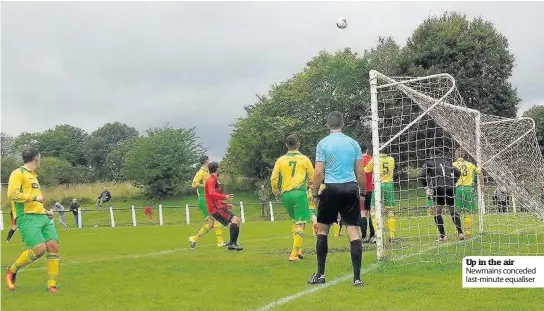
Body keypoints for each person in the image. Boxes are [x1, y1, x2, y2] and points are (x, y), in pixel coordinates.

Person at [308, 111, 366, 287]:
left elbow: (318, 172)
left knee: (323, 231)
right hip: (350, 188)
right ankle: (357, 278)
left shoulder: (323, 144)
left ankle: (321, 274)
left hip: (331, 188)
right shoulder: (353, 143)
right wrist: (362, 191)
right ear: (343, 124)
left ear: (327, 125)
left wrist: (315, 191)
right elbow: (360, 172)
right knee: (353, 232)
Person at [5, 147, 60, 293]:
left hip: (41, 216)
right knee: (39, 249)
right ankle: (12, 270)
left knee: (53, 246)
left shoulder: (34, 176)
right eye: (40, 157)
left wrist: (45, 211)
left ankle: (52, 285)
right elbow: (12, 194)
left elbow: (37, 202)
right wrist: (34, 197)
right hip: (26, 217)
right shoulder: (18, 173)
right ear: (37, 158)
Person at [270, 133, 314, 262]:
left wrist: (275, 190)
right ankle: (293, 254)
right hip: (299, 193)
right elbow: (312, 177)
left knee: (295, 221)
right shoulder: (304, 159)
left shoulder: (281, 160)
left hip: (286, 194)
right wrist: (309, 186)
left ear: (286, 145)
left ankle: (299, 249)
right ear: (298, 144)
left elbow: (274, 178)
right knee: (301, 223)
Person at [419, 149, 463, 242]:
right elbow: (458, 172)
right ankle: (460, 233)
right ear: (440, 154)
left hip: (439, 189)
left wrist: (427, 188)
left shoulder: (429, 163)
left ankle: (443, 236)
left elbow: (422, 176)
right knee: (452, 209)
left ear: (431, 155)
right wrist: (453, 182)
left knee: (437, 211)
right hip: (450, 188)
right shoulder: (447, 162)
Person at [188, 156, 226, 248]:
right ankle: (220, 242)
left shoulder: (208, 172)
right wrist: (205, 185)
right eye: (209, 160)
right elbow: (194, 184)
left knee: (211, 224)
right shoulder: (200, 172)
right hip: (204, 199)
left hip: (208, 198)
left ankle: (193, 238)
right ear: (206, 161)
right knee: (217, 218)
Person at [205, 162, 243, 251]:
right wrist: (225, 197)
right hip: (215, 209)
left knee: (237, 221)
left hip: (217, 207)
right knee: (235, 220)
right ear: (217, 169)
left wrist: (225, 205)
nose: (220, 170)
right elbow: (211, 193)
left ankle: (232, 243)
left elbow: (215, 198)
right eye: (219, 168)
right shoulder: (211, 179)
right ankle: (232, 244)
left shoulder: (214, 179)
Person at [364, 152, 398, 242]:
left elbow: (366, 170)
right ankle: (392, 236)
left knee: (373, 210)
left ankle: (377, 234)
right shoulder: (391, 159)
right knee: (390, 211)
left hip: (378, 185)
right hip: (389, 185)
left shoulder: (374, 160)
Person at [452, 149, 483, 238]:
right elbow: (480, 173)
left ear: (456, 156)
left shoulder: (453, 165)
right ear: (464, 155)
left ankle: (458, 231)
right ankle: (468, 232)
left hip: (458, 189)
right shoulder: (470, 165)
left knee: (457, 211)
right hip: (468, 189)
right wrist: (482, 185)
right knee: (467, 212)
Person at [360, 145, 376, 243]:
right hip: (372, 189)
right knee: (372, 213)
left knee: (363, 213)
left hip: (362, 190)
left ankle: (363, 237)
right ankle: (372, 236)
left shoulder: (357, 161)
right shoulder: (372, 160)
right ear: (367, 150)